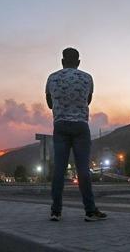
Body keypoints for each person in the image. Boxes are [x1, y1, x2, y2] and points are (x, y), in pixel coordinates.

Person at [46, 47, 107, 222]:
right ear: (78, 62)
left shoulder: (52, 77)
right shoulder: (87, 78)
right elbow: (87, 100)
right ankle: (90, 211)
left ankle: (56, 211)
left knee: (59, 169)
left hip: (60, 126)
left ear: (62, 62)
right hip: (80, 126)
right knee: (83, 170)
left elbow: (50, 103)